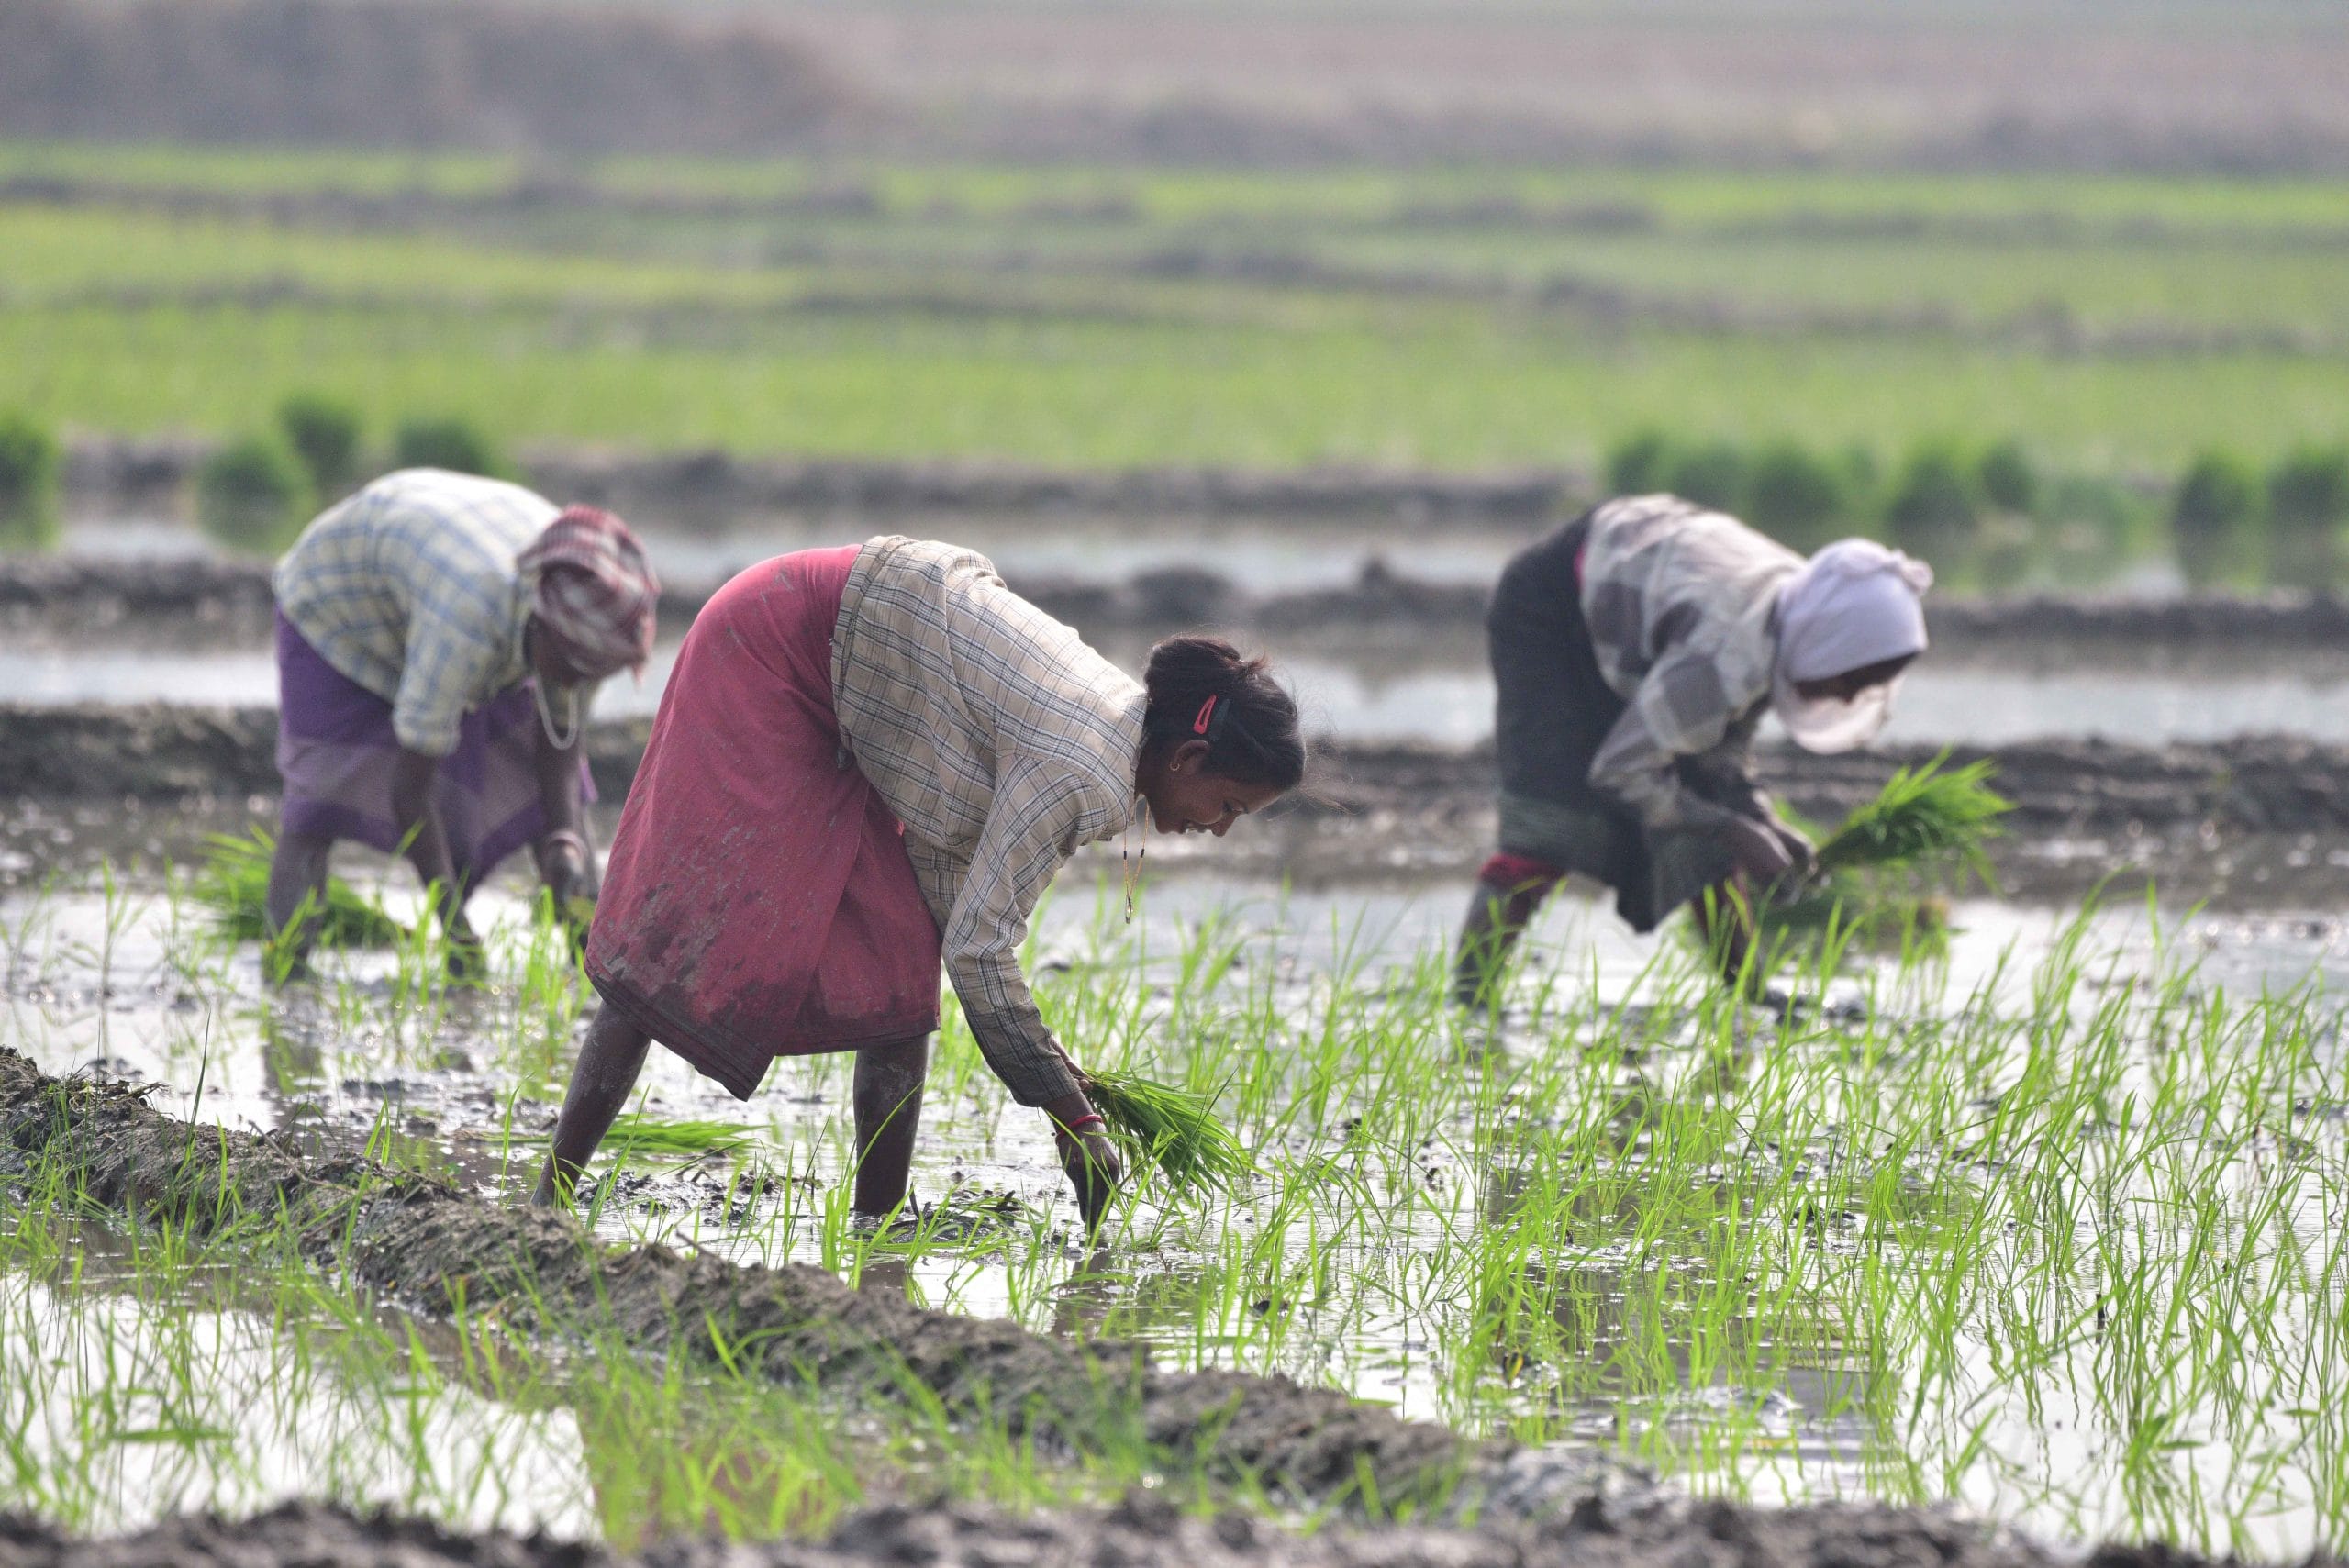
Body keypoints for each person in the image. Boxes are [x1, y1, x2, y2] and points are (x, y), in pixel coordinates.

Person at [530, 537, 1306, 1229]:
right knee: (675, 935)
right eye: (1229, 805)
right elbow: (980, 949)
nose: (1220, 827)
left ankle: (879, 1226)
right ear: (1187, 760)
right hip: (773, 646)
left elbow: (956, 890)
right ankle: (549, 1199)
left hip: (872, 687)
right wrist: (1073, 1115)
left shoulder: (1117, 730)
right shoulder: (1086, 771)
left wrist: (1047, 1062)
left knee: (901, 972)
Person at [1453, 492, 1932, 1005]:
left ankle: (1747, 990)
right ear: (1830, 645)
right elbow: (1622, 772)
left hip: (1639, 580)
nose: (1849, 697)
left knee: (1703, 801)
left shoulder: (1801, 610)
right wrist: (1736, 830)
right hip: (1552, 612)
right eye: (1852, 678)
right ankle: (1468, 1000)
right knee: (1550, 820)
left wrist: (1759, 818)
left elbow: (1723, 749)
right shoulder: (1723, 655)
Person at [266, 467, 659, 976]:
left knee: (557, 802)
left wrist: (564, 837)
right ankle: (285, 971)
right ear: (542, 631)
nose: (579, 684)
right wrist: (456, 935)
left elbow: (561, 740)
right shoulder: (467, 622)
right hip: (337, 606)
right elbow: (410, 794)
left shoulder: (580, 602)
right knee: (319, 800)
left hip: (430, 571)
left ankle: (595, 966)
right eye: (572, 671)